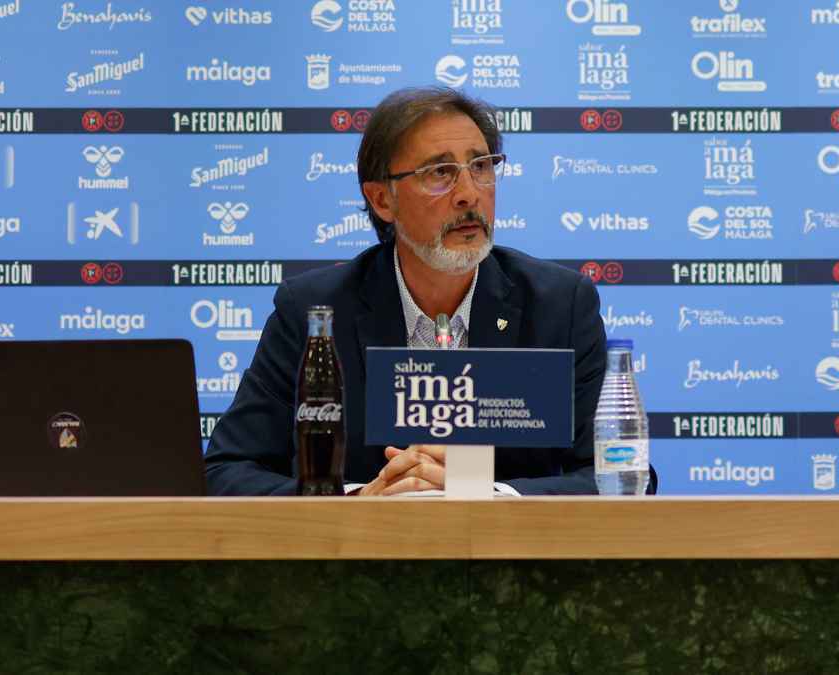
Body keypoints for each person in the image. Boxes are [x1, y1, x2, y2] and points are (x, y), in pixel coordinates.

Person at [204, 86, 611, 496]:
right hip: (363, 556)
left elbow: (618, 475)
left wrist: (491, 496)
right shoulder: (315, 311)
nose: (469, 193)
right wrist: (355, 502)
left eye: (481, 167)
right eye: (440, 173)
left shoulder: (560, 305)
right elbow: (226, 470)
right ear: (382, 199)